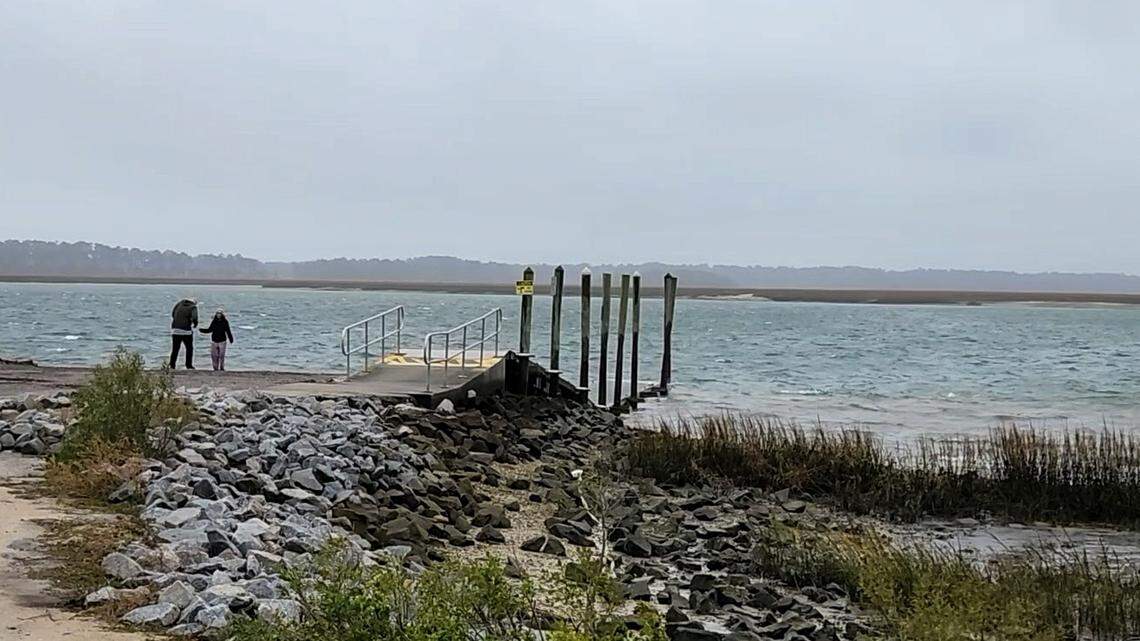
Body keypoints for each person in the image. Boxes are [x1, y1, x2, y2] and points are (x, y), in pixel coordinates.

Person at [169, 298, 199, 369]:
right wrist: (195, 323)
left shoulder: (179, 304)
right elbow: (195, 317)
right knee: (189, 349)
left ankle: (172, 365)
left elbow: (173, 314)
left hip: (175, 330)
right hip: (186, 331)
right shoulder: (193, 307)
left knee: (175, 349)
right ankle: (188, 365)